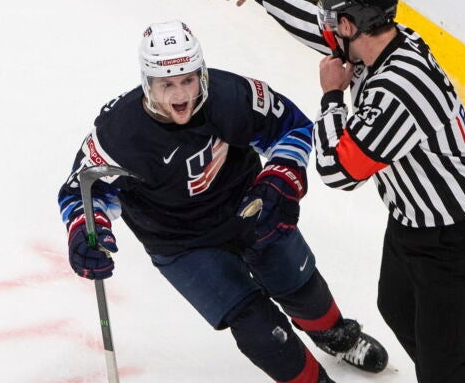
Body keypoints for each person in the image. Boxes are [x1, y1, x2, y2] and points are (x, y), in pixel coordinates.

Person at [212, 0, 465, 383]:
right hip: (415, 222)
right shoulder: (380, 43)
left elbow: (339, 169)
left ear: (351, 24)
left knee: (446, 368)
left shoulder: (399, 90)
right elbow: (318, 27)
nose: (327, 25)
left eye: (334, 17)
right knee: (397, 308)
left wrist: (332, 95)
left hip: (458, 235)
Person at [57, 20, 388, 383]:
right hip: (180, 241)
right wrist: (85, 233)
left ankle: (336, 336)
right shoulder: (119, 133)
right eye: (167, 84)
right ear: (148, 83)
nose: (180, 94)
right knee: (257, 329)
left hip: (249, 208)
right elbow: (83, 191)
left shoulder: (232, 94)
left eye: (187, 79)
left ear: (201, 72)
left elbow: (290, 127)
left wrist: (280, 177)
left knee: (302, 287)